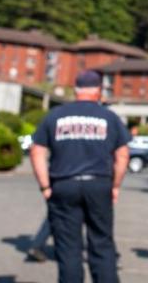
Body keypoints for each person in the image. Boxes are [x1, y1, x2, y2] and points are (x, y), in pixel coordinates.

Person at [30, 70, 130, 283]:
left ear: (76, 90)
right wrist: (115, 185)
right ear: (99, 91)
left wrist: (45, 186)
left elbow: (37, 150)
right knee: (102, 244)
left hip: (64, 184)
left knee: (68, 249)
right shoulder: (109, 117)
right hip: (99, 183)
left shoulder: (56, 115)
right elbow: (122, 155)